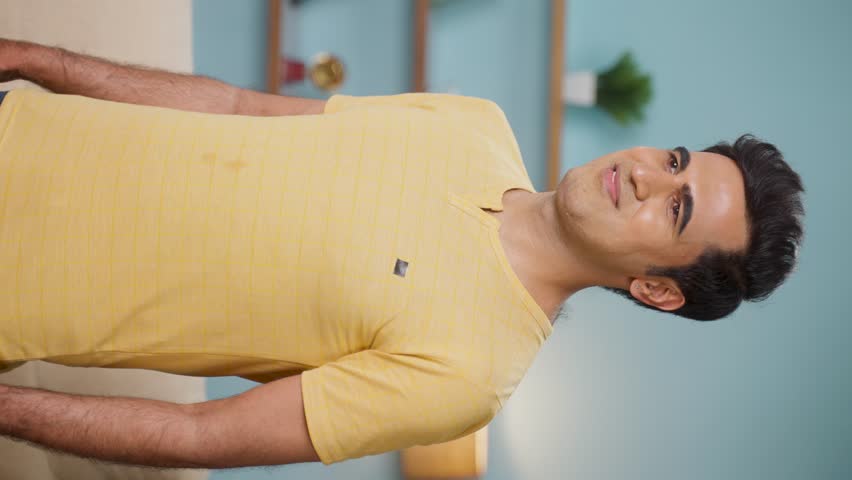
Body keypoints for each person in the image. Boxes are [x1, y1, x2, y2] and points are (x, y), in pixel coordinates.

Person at [0, 38, 804, 470]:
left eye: (677, 207)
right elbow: (239, 106)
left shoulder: (470, 378)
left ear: (658, 291)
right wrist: (43, 65)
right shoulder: (475, 122)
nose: (642, 174)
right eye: (672, 160)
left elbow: (202, 437)